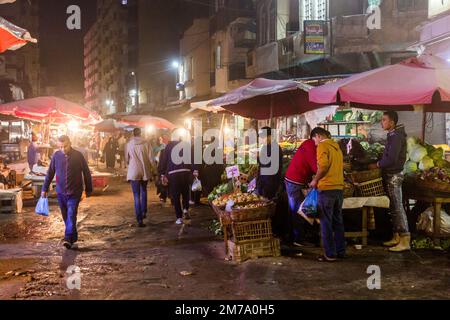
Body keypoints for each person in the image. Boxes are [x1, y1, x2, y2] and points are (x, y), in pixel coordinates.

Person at [41, 136, 92, 250]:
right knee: (65, 215)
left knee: (71, 213)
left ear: (70, 143)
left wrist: (88, 189)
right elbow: (50, 173)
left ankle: (68, 238)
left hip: (75, 192)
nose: (63, 149)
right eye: (60, 147)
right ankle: (73, 236)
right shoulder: (56, 155)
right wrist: (44, 189)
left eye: (65, 146)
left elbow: (86, 172)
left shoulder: (78, 155)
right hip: (61, 192)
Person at [368, 111, 409, 252]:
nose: (382, 122)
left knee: (398, 207)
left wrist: (378, 164)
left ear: (392, 122)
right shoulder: (393, 135)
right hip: (391, 174)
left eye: (384, 120)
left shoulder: (396, 136)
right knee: (394, 208)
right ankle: (397, 236)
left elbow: (391, 158)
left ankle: (405, 239)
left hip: (394, 175)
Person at [309, 127, 345, 262]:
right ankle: (341, 251)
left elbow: (323, 166)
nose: (315, 144)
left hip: (327, 188)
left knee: (326, 222)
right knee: (338, 222)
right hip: (338, 188)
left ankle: (329, 254)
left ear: (318, 136)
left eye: (314, 140)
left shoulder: (323, 146)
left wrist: (315, 180)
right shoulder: (336, 146)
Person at [284, 135, 319, 246]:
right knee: (298, 211)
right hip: (294, 182)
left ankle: (293, 237)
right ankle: (298, 239)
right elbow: (316, 167)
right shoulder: (310, 146)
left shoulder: (309, 144)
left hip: (294, 180)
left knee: (296, 209)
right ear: (316, 136)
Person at [160, 129, 198, 225]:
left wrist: (162, 173)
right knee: (185, 193)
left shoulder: (168, 146)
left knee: (176, 196)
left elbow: (164, 160)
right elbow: (192, 159)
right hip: (186, 172)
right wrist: (195, 170)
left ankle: (179, 217)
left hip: (173, 173)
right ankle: (185, 209)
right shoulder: (186, 145)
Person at [126, 128, 154, 228]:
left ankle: (139, 219)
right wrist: (154, 170)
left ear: (133, 134)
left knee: (136, 195)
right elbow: (151, 158)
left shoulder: (129, 144)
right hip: (144, 171)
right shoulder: (146, 143)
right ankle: (144, 211)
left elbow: (127, 159)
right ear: (140, 133)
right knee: (144, 191)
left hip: (134, 171)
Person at [256, 127, 283, 200]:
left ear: (270, 136)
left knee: (267, 205)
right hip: (263, 182)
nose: (261, 140)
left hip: (269, 184)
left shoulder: (275, 148)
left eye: (263, 137)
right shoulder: (265, 147)